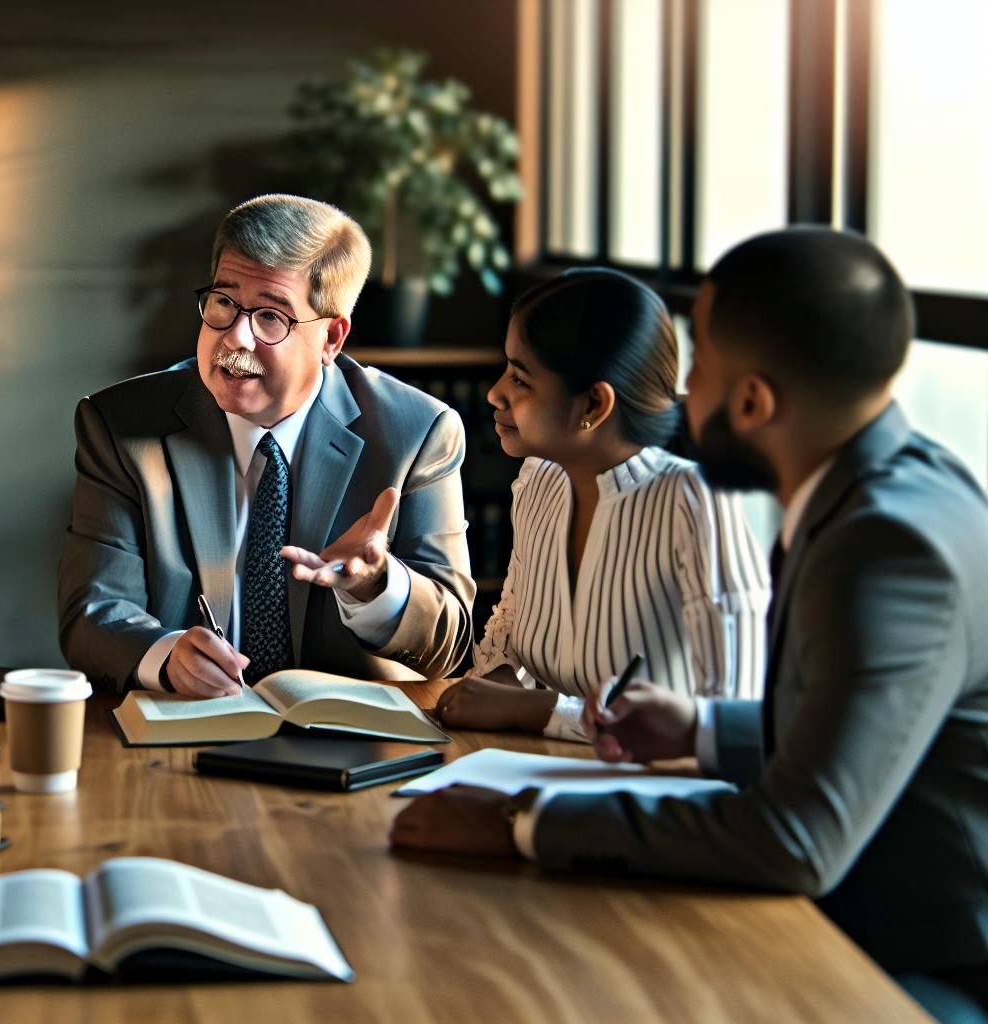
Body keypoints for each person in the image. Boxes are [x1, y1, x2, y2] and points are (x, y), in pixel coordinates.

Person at [391, 228, 988, 1023]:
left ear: (752, 401)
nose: (679, 391)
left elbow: (795, 838)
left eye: (700, 361)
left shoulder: (883, 547)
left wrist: (519, 824)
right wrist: (702, 728)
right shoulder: (900, 487)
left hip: (894, 956)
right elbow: (843, 732)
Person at [58, 193, 474, 696]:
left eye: (271, 317)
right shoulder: (123, 426)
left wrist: (377, 587)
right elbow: (93, 612)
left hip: (349, 743)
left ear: (331, 341)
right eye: (224, 302)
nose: (236, 337)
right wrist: (167, 657)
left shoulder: (416, 433)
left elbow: (451, 643)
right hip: (184, 731)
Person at [432, 269, 769, 741]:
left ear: (593, 405)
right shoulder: (539, 480)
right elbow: (509, 645)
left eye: (520, 378)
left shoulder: (695, 503)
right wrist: (500, 684)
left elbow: (733, 726)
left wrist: (542, 710)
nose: (495, 392)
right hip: (538, 776)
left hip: (651, 802)